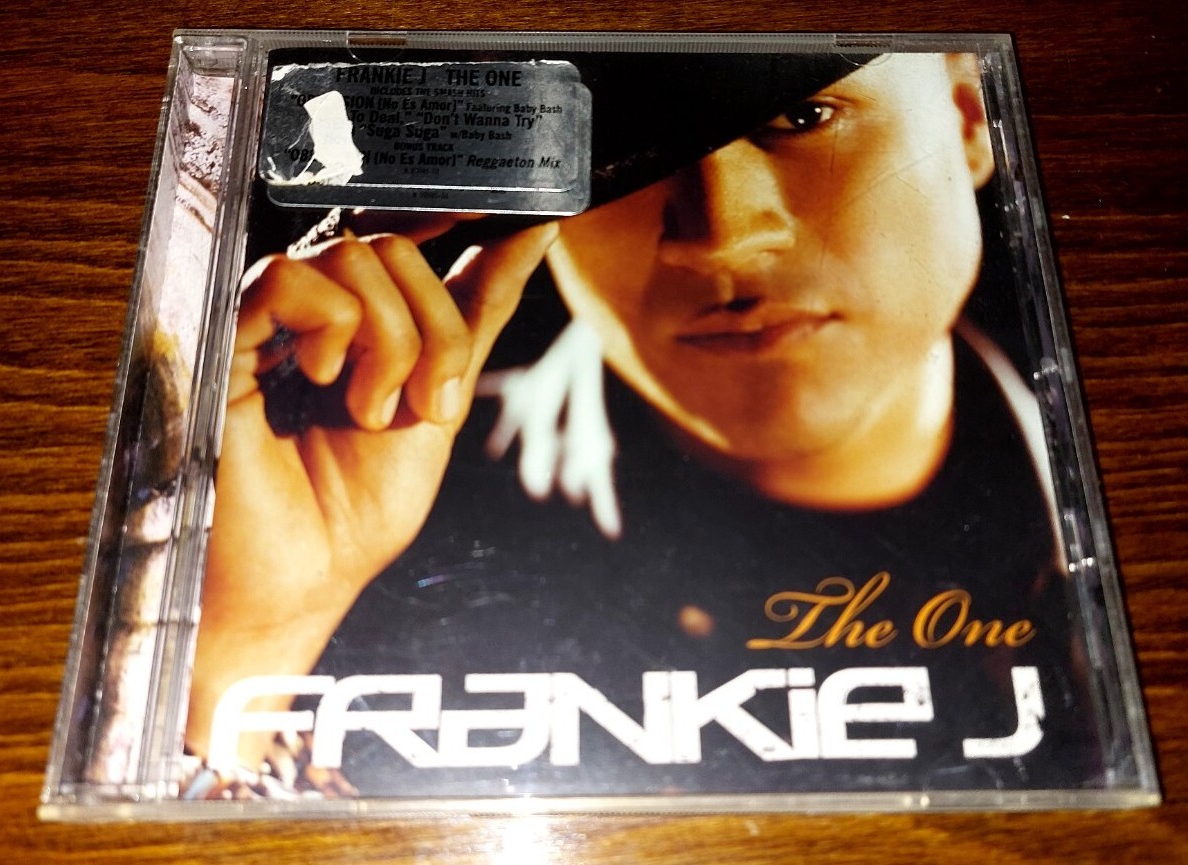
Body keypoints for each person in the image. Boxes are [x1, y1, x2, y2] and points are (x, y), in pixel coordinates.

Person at [184, 52, 1096, 796]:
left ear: (968, 116)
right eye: (619, 155)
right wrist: (244, 643)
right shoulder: (344, 488)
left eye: (803, 116)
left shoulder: (1131, 501)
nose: (720, 232)